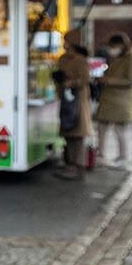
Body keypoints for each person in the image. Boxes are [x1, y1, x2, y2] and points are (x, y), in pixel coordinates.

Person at [96, 32, 132, 166]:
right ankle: (101, 155)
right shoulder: (118, 58)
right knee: (102, 128)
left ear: (121, 45)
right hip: (109, 100)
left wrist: (108, 80)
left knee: (119, 130)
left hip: (121, 101)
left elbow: (131, 81)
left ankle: (122, 157)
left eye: (113, 46)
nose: (111, 50)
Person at [55, 34, 95, 179]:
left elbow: (85, 79)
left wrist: (71, 83)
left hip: (77, 100)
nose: (63, 44)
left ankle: (78, 166)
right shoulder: (63, 58)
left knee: (78, 135)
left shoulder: (80, 60)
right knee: (68, 133)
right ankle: (69, 163)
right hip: (66, 99)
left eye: (65, 42)